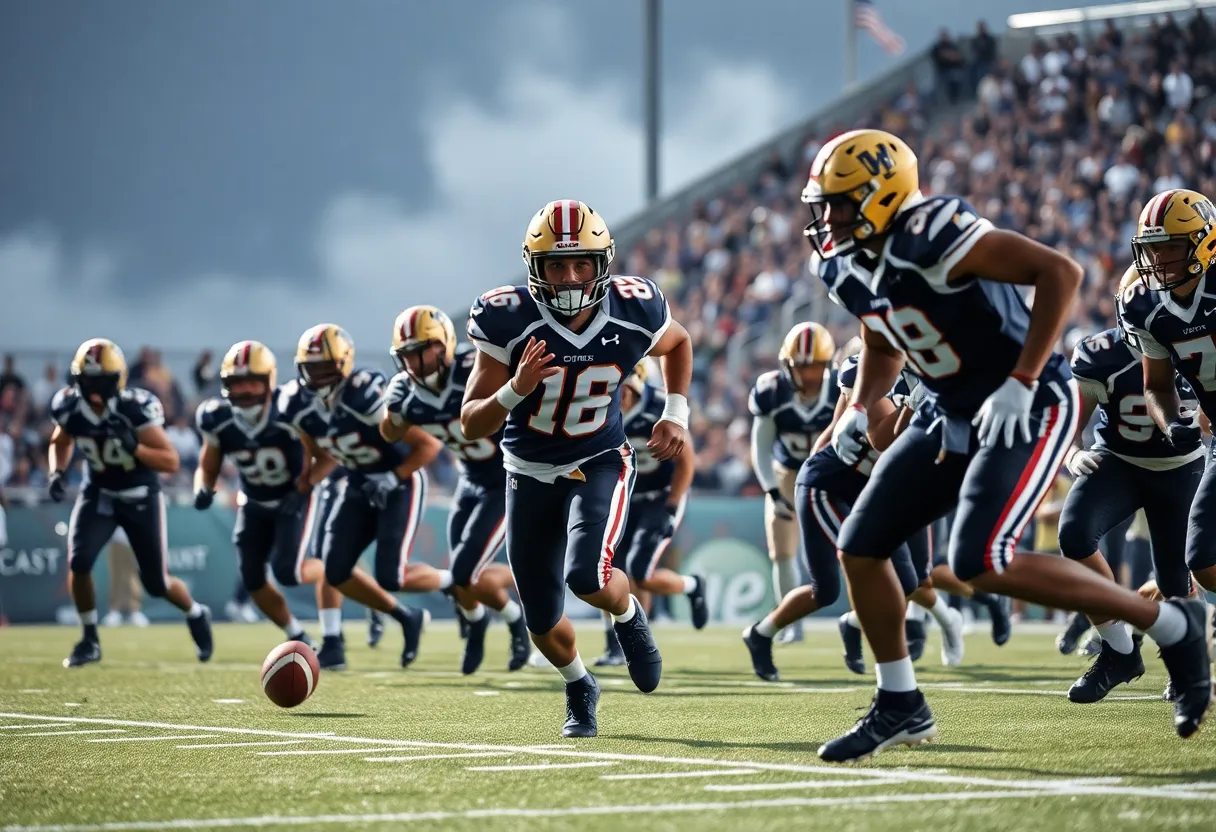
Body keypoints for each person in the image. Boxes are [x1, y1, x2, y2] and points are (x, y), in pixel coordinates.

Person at [803, 130, 1211, 762]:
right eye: (823, 203)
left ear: (884, 196)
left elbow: (1058, 272)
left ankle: (1170, 624)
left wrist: (1022, 379)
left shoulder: (932, 231)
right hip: (946, 409)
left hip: (1027, 402)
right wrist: (860, 404)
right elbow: (881, 338)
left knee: (982, 559)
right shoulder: (843, 261)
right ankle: (900, 703)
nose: (828, 218)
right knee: (860, 545)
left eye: (842, 201)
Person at [461, 199, 693, 738]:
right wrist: (516, 386)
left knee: (587, 575)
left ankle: (628, 613)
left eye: (582, 264)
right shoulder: (507, 318)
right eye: (556, 266)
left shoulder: (633, 306)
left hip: (600, 458)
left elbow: (678, 342)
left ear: (601, 263)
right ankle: (579, 685)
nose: (569, 277)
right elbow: (471, 422)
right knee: (542, 618)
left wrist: (675, 413)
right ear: (533, 268)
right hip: (527, 469)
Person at [1057, 296, 1205, 703]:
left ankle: (1183, 663)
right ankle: (1118, 649)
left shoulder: (1196, 344)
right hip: (1117, 460)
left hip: (1180, 468)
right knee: (1074, 534)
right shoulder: (1100, 353)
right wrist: (1072, 452)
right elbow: (1073, 418)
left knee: (1176, 576)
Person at [381, 305, 531, 675]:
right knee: (462, 575)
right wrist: (395, 416)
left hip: (505, 479)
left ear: (445, 344)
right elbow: (389, 433)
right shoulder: (405, 390)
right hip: (470, 480)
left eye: (422, 350)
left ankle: (512, 622)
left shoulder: (473, 369)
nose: (415, 362)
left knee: (464, 570)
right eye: (406, 355)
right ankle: (484, 618)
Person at [47, 338, 213, 668]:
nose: (94, 390)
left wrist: (134, 447)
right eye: (88, 380)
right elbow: (60, 440)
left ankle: (196, 612)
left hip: (140, 496)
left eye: (101, 381)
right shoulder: (68, 405)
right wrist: (57, 471)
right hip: (99, 493)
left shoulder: (135, 408)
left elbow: (170, 461)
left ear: (118, 380)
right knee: (79, 563)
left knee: (156, 583)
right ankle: (89, 638)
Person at [279, 324, 436, 670]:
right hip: (357, 483)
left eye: (325, 366)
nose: (318, 376)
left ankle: (457, 582)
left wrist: (393, 476)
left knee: (390, 575)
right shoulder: (297, 404)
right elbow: (324, 454)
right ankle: (402, 618)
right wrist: (302, 487)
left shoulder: (365, 396)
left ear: (344, 364)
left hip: (400, 482)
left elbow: (429, 445)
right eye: (311, 368)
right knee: (333, 569)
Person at [194, 341, 344, 652]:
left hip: (295, 497)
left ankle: (338, 570)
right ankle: (296, 633)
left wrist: (304, 486)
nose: (246, 390)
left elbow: (330, 457)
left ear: (269, 381)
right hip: (254, 502)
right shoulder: (217, 417)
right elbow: (208, 463)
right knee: (252, 579)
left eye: (252, 381)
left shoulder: (290, 409)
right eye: (237, 383)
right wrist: (204, 488)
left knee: (288, 572)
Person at [595, 360, 706, 667]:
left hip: (661, 495)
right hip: (625, 496)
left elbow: (687, 462)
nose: (621, 397)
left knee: (640, 572)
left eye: (626, 389)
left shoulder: (658, 406)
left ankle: (692, 586)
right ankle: (617, 645)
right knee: (604, 572)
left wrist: (672, 505)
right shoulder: (597, 408)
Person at [748, 322, 839, 643]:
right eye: (800, 366)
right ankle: (790, 624)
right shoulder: (771, 390)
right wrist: (773, 491)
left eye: (813, 366)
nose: (806, 374)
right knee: (782, 549)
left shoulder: (843, 387)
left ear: (827, 365)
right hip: (788, 472)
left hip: (835, 473)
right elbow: (760, 447)